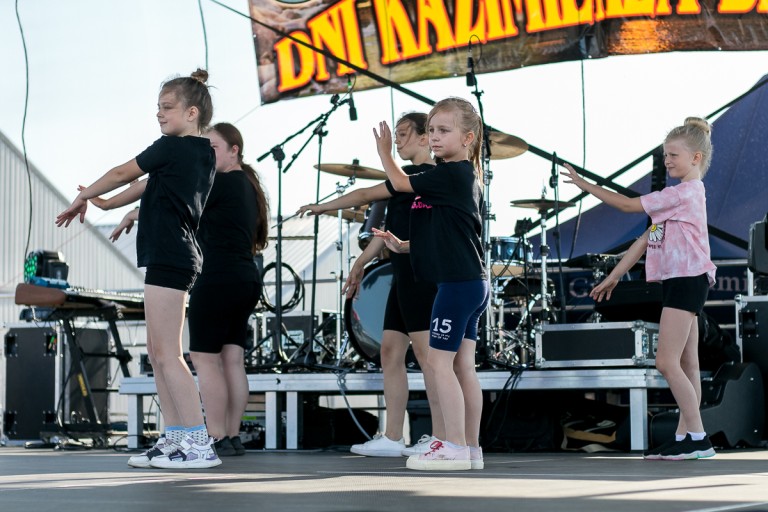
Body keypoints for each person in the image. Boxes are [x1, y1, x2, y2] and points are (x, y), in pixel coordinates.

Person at [56, 69, 221, 469]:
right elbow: (133, 190)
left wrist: (86, 196)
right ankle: (175, 437)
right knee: (158, 353)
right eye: (158, 109)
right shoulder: (197, 155)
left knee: (168, 355)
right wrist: (103, 204)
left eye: (167, 108)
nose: (160, 115)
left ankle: (199, 444)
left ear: (192, 112)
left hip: (171, 256)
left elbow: (120, 174)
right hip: (172, 256)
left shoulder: (171, 148)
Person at [101, 123, 270, 457]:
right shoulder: (247, 184)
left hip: (218, 278)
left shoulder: (220, 182)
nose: (207, 154)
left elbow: (171, 197)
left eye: (214, 148)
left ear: (234, 150)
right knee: (233, 360)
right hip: (245, 277)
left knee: (206, 361)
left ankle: (216, 434)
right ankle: (232, 435)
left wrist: (128, 211)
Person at [562, 117, 717, 461]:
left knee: (665, 362)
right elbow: (645, 240)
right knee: (686, 363)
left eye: (674, 155)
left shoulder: (685, 193)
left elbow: (628, 206)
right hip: (684, 281)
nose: (667, 161)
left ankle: (698, 437)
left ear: (695, 158)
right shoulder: (675, 202)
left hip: (687, 280)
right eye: (665, 156)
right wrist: (614, 276)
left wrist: (585, 185)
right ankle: (684, 436)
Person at [297, 113, 446, 458]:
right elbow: (374, 212)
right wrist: (359, 260)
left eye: (404, 134)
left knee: (428, 359)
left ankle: (441, 437)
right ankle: (393, 437)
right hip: (401, 276)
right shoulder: (404, 178)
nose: (397, 140)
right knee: (390, 352)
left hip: (424, 276)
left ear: (426, 139)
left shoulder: (431, 177)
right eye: (395, 136)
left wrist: (384, 155)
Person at [372, 97, 490, 471]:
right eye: (433, 130)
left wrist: (384, 152)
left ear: (468, 137)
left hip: (457, 285)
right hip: (470, 282)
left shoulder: (452, 173)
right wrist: (404, 245)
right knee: (462, 367)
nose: (435, 138)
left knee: (439, 363)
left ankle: (452, 444)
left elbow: (400, 182)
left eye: (444, 131)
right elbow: (451, 234)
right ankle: (470, 448)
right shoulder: (458, 177)